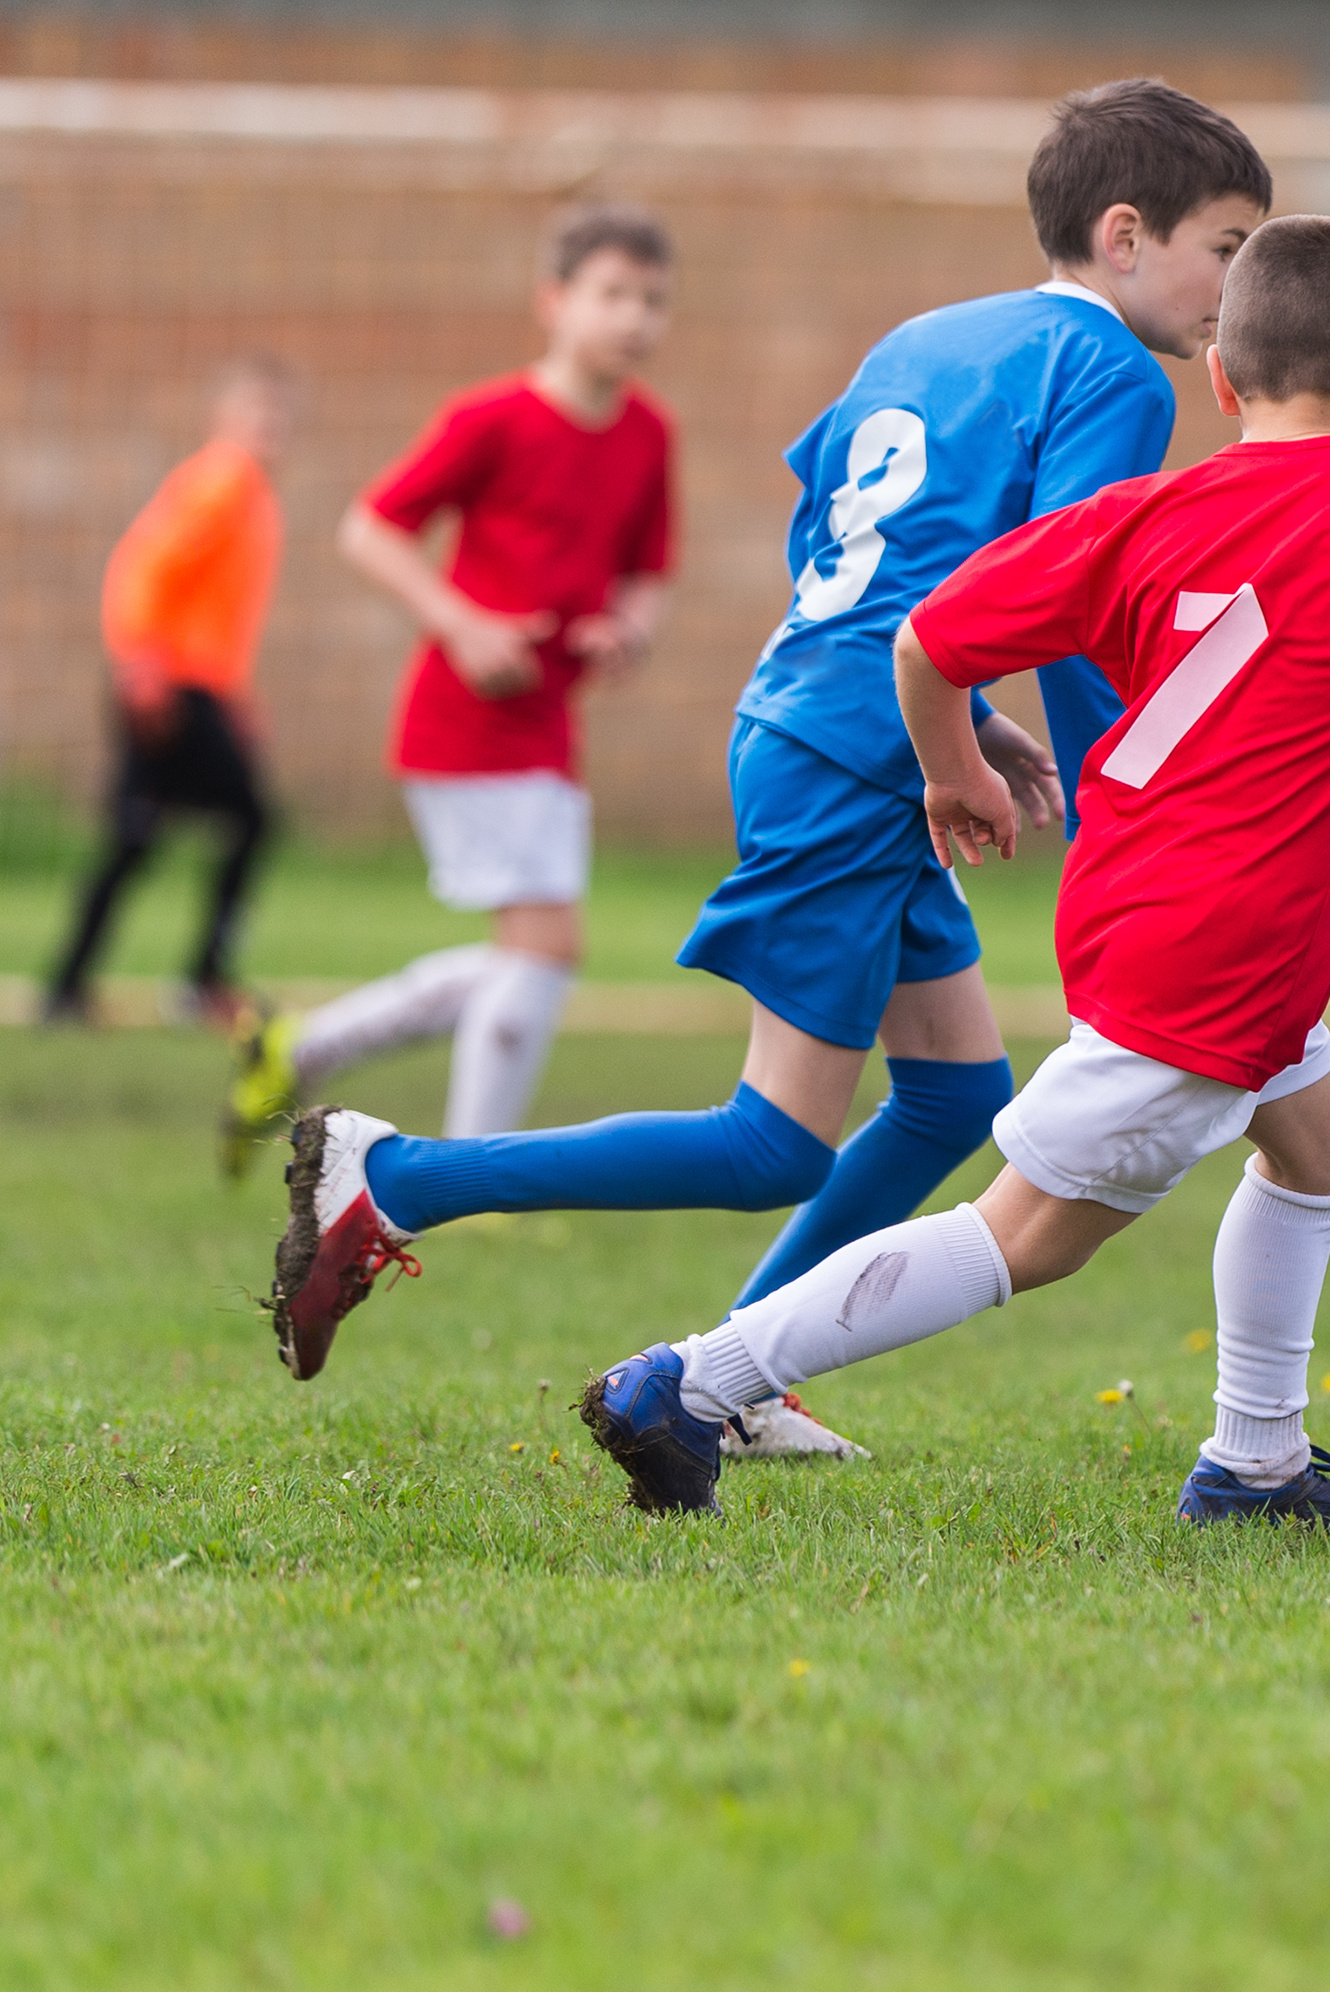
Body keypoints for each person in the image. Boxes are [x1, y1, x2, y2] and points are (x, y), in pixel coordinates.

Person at [259, 84, 1274, 1438]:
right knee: (771, 1144)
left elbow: (831, 532)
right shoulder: (1112, 376)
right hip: (858, 759)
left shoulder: (929, 338)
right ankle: (400, 1176)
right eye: (1228, 245)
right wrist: (1121, 821)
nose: (1238, 283)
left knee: (956, 1096)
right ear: (1129, 235)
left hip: (831, 724)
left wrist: (959, 724)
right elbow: (1077, 606)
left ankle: (738, 1381)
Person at [571, 214, 1330, 1524]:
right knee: (1027, 1237)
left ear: (1223, 382)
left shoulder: (1141, 512)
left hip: (1142, 902)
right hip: (1226, 939)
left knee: (1321, 1132)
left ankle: (1257, 1461)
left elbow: (930, 640)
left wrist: (951, 768)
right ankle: (689, 1381)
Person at [222, 205, 676, 1166]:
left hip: (550, 724)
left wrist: (626, 631)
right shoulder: (492, 418)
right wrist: (464, 625)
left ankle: (302, 1047)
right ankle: (470, 1170)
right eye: (611, 294)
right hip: (463, 721)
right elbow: (370, 527)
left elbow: (648, 571)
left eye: (651, 300)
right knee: (546, 948)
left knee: (530, 955)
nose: (632, 317)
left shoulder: (647, 434)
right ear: (553, 303)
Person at [45, 355, 297, 1040]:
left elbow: (213, 610)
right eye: (257, 414)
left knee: (140, 839)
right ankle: (201, 982)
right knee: (246, 822)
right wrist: (140, 663)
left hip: (197, 685)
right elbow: (143, 567)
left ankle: (67, 988)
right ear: (225, 419)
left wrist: (238, 696)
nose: (269, 429)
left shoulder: (249, 493)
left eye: (279, 416)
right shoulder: (224, 479)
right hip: (170, 687)